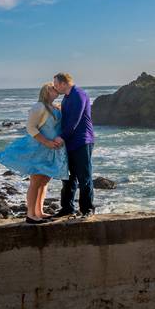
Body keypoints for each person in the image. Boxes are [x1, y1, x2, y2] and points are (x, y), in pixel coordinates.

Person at [0, 83, 68, 224]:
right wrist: (46, 142)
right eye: (52, 87)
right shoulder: (39, 107)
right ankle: (31, 215)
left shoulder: (54, 107)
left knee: (44, 182)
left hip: (50, 151)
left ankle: (39, 212)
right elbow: (31, 128)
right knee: (35, 181)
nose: (56, 88)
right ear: (45, 91)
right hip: (39, 149)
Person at [52, 72, 95, 217]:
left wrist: (62, 137)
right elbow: (66, 118)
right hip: (69, 143)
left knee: (84, 177)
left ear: (64, 83)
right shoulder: (67, 97)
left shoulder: (78, 94)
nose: (55, 87)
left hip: (82, 141)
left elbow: (75, 120)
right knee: (68, 178)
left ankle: (87, 209)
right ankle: (67, 208)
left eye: (56, 84)